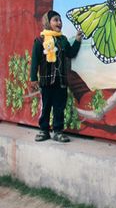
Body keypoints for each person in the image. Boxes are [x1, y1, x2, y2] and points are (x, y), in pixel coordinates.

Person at [29, 10, 82, 143]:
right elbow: (35, 61)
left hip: (61, 81)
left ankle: (58, 131)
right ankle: (44, 130)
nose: (59, 22)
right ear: (48, 22)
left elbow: (70, 53)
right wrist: (33, 78)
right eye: (55, 20)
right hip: (46, 81)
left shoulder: (63, 40)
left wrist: (77, 41)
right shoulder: (40, 40)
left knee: (59, 106)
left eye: (60, 20)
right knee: (46, 106)